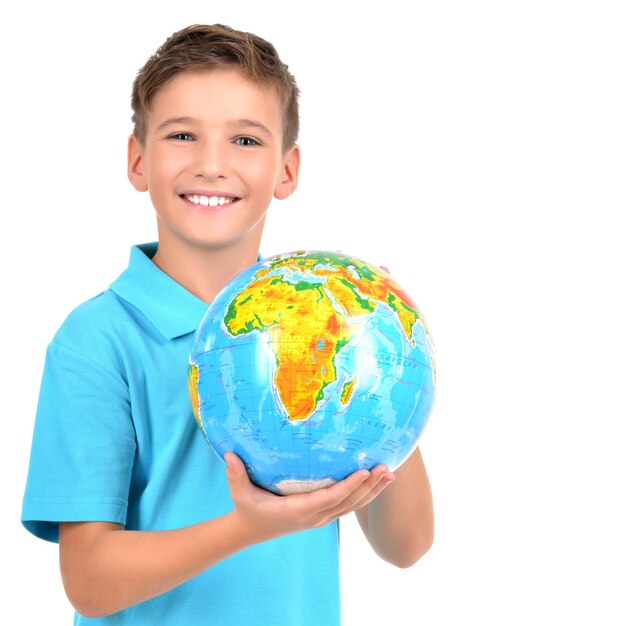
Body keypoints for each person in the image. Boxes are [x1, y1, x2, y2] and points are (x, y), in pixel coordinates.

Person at [21, 23, 434, 625]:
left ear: (286, 171)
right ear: (138, 161)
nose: (212, 164)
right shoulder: (97, 340)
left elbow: (407, 547)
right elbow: (88, 581)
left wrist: (385, 352)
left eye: (245, 139)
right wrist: (247, 526)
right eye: (182, 135)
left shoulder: (332, 324)